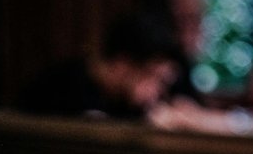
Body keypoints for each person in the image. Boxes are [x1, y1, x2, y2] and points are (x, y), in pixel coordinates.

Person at [18, 7, 182, 120]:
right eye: (153, 77)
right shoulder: (61, 88)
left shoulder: (125, 101)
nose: (157, 91)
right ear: (122, 65)